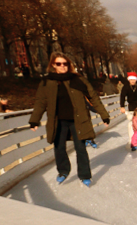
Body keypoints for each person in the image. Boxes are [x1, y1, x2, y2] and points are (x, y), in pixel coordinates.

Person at [28, 53, 110, 187]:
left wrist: (104, 115)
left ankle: (84, 175)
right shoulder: (47, 82)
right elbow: (40, 102)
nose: (62, 66)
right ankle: (63, 171)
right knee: (59, 148)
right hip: (58, 121)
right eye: (59, 64)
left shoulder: (78, 79)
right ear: (53, 65)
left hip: (78, 120)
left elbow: (94, 97)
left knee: (80, 148)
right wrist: (34, 120)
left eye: (65, 63)